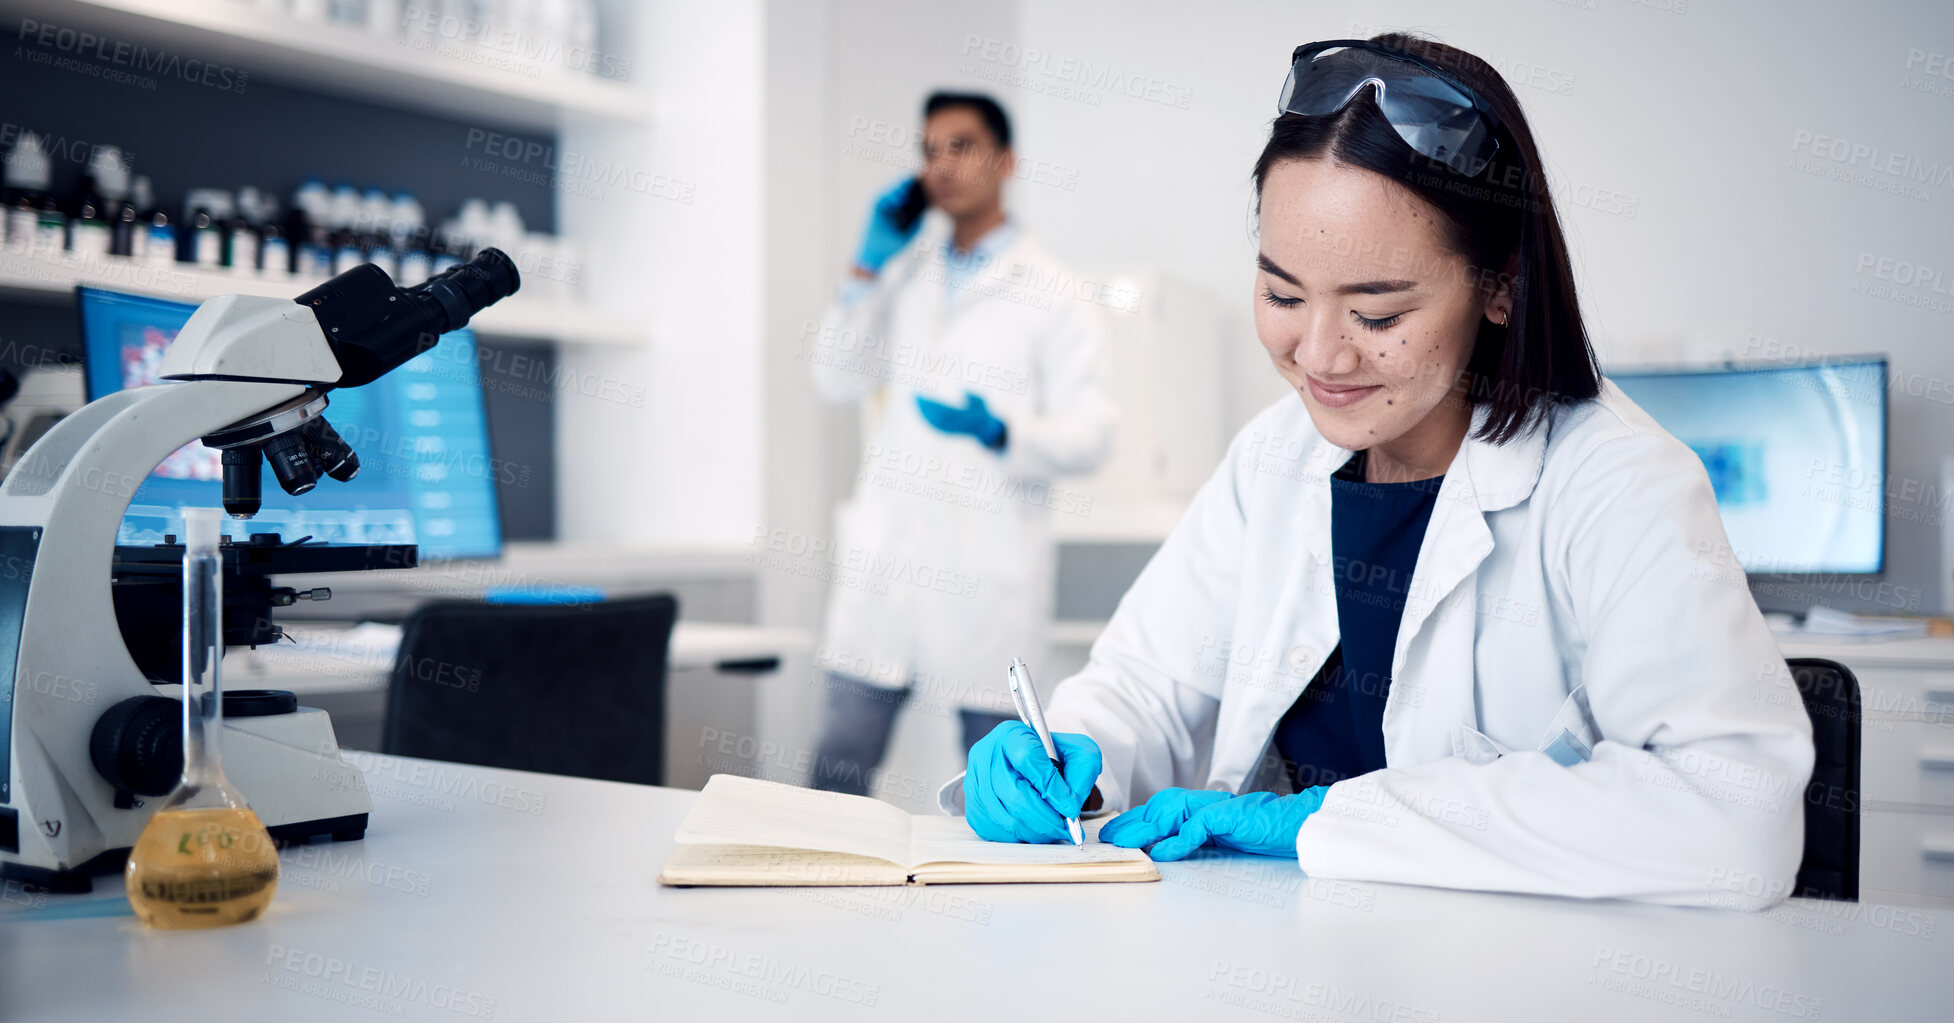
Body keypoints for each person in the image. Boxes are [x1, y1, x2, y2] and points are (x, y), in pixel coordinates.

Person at [950, 36, 1814, 909]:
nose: (1320, 354)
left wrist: (1328, 820)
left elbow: (1735, 816)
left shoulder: (1618, 485)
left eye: (1377, 311)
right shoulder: (1273, 459)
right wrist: (1068, 754)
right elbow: (1147, 686)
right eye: (1283, 295)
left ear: (1500, 284)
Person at [807, 91, 1116, 797]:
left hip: (986, 576)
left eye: (962, 146)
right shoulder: (901, 278)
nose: (941, 164)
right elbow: (835, 378)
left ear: (1005, 161)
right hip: (889, 567)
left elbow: (1094, 435)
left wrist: (1003, 431)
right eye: (929, 150)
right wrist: (862, 271)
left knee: (1001, 790)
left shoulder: (1055, 292)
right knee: (835, 771)